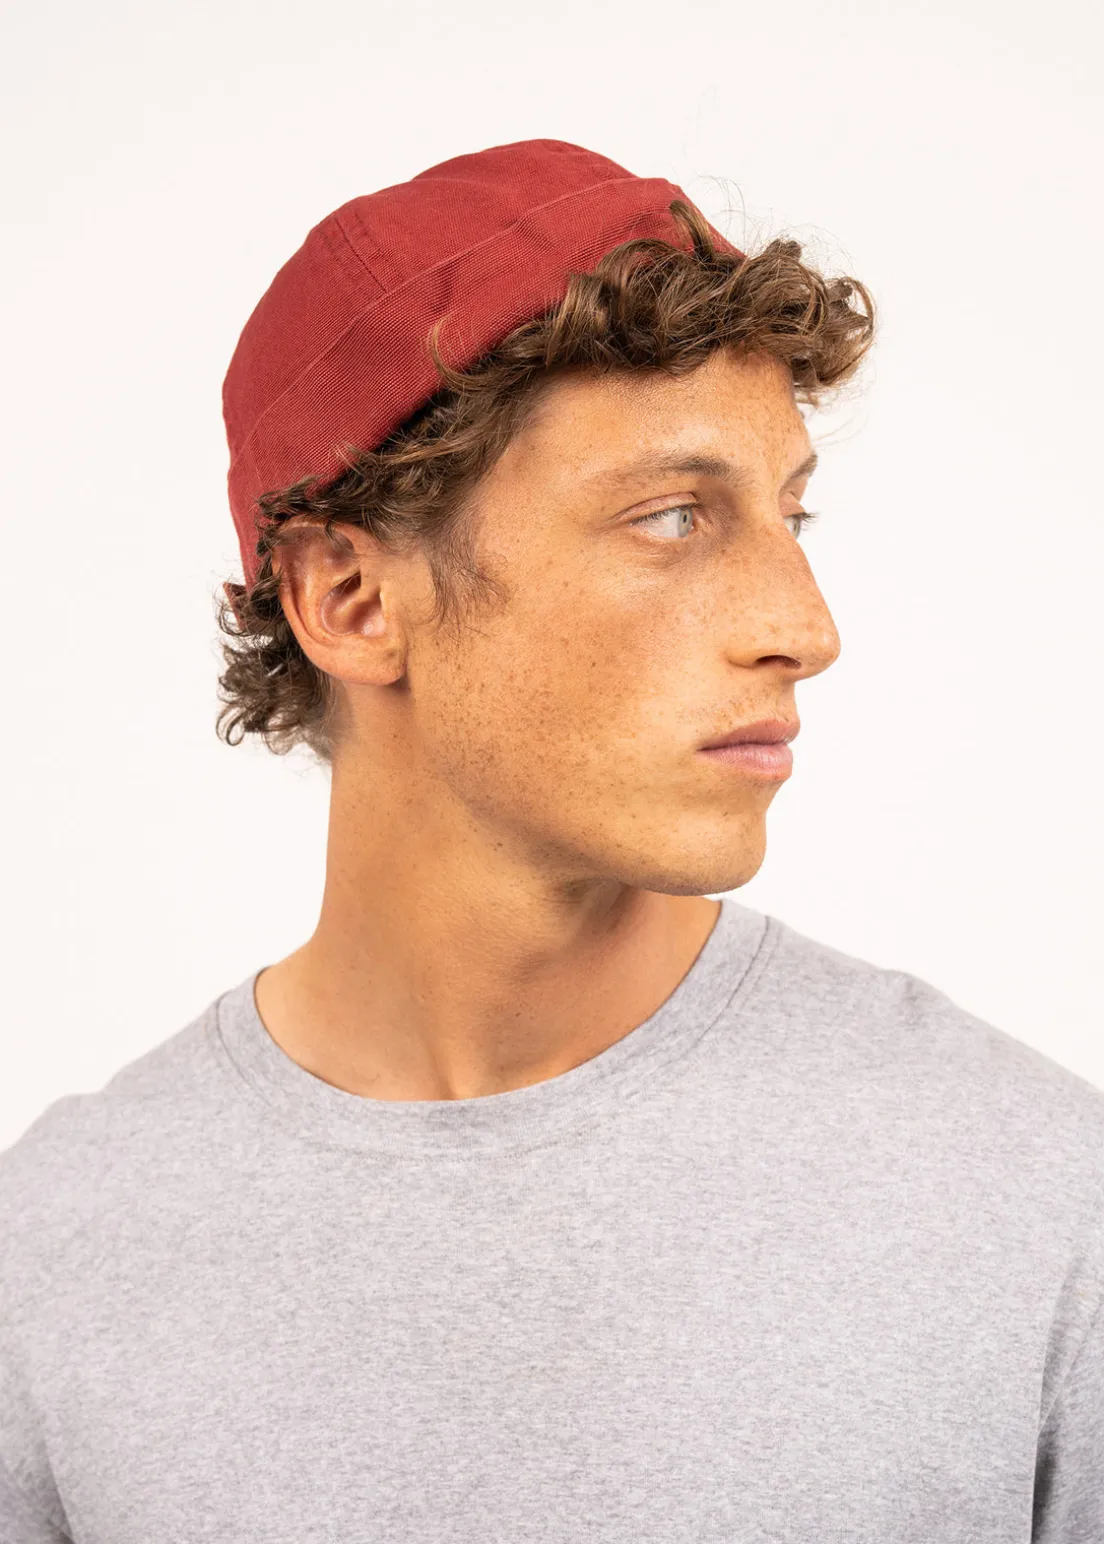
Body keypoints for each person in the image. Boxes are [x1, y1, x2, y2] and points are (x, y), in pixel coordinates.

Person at [0, 137, 1099, 1543]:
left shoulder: (1034, 1199)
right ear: (348, 599)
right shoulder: (52, 1260)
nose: (806, 628)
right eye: (673, 517)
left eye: (791, 512)